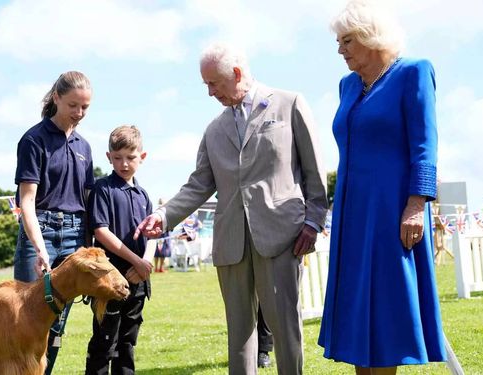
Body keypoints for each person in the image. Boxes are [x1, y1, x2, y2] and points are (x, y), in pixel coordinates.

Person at [135, 42, 328, 374]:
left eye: (215, 83)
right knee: (239, 335)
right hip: (231, 242)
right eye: (206, 85)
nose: (210, 93)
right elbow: (199, 183)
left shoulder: (289, 104)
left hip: (282, 237)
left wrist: (313, 221)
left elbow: (314, 171)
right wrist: (164, 215)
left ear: (237, 74)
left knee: (285, 327)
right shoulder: (213, 129)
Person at [317, 1, 447, 374]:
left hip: (392, 212)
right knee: (358, 316)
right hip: (351, 214)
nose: (340, 50)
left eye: (346, 41)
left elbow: (425, 146)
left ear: (369, 36)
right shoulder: (347, 86)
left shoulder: (414, 72)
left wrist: (415, 205)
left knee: (386, 312)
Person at [13, 71, 94, 375]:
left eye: (85, 107)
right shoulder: (34, 140)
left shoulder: (84, 147)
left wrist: (89, 247)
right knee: (26, 320)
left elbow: (88, 202)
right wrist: (39, 248)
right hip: (41, 231)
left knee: (57, 323)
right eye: (73, 105)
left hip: (75, 235)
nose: (79, 113)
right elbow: (27, 201)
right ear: (56, 98)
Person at [85, 125, 153, 375]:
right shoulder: (103, 189)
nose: (124, 164)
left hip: (138, 281)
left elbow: (152, 234)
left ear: (142, 157)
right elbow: (101, 232)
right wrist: (136, 261)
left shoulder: (143, 195)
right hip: (109, 281)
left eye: (130, 157)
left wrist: (143, 265)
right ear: (108, 157)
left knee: (127, 342)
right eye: (117, 158)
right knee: (105, 341)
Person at [154, 198, 171, 273]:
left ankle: (159, 268)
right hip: (160, 236)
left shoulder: (158, 212)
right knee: (159, 253)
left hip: (163, 236)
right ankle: (158, 268)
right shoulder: (159, 212)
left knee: (161, 253)